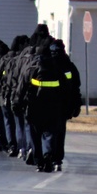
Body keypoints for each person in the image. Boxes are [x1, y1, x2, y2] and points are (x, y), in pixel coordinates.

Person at [27, 43, 64, 172]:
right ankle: (48, 154)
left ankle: (39, 161)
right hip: (53, 107)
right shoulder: (56, 68)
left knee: (35, 134)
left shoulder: (32, 68)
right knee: (49, 133)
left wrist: (20, 103)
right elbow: (64, 89)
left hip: (35, 107)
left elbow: (23, 87)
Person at [51, 39, 82, 172]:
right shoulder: (69, 66)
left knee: (48, 132)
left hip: (48, 105)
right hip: (63, 105)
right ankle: (57, 159)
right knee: (59, 132)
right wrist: (75, 106)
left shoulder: (47, 64)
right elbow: (76, 88)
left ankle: (49, 155)